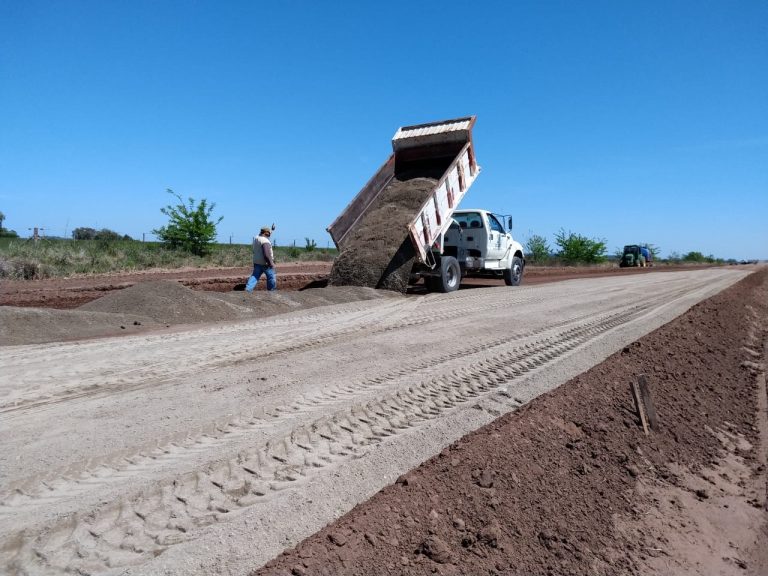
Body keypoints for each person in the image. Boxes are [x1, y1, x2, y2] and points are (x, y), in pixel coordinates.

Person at [246, 225, 276, 292]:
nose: (270, 234)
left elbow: (268, 232)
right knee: (271, 278)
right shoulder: (265, 241)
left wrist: (272, 229)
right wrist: (271, 264)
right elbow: (267, 255)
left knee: (254, 276)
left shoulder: (257, 238)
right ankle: (272, 292)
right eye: (269, 233)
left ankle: (248, 290)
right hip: (266, 264)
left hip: (257, 262)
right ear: (266, 233)